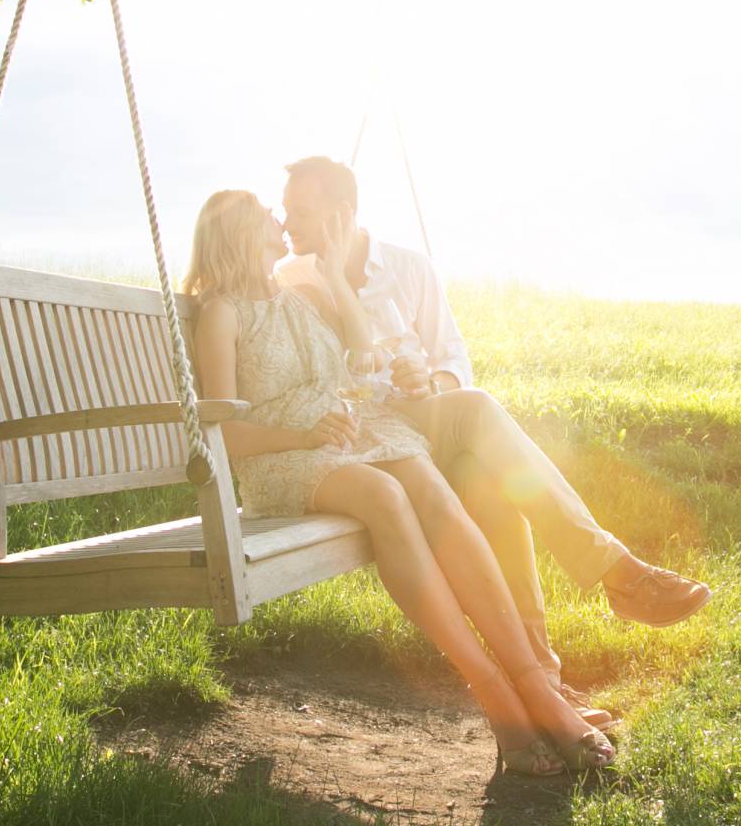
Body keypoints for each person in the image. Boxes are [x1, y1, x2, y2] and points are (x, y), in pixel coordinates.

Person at [185, 189, 616, 775]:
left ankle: (537, 688)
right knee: (387, 495)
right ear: (237, 229)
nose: (280, 218)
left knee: (432, 490)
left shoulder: (301, 294)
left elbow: (362, 355)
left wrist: (335, 276)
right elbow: (225, 432)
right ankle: (494, 694)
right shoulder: (222, 312)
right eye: (266, 210)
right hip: (283, 458)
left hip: (350, 436)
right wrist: (304, 435)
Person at [275, 156, 711, 707]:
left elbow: (453, 357)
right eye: (287, 210)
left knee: (477, 442)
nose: (288, 222)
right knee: (481, 451)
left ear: (341, 215)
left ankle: (552, 673)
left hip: (422, 419)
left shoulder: (410, 268)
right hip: (367, 438)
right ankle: (611, 586)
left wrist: (429, 380)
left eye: (301, 212)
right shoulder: (292, 279)